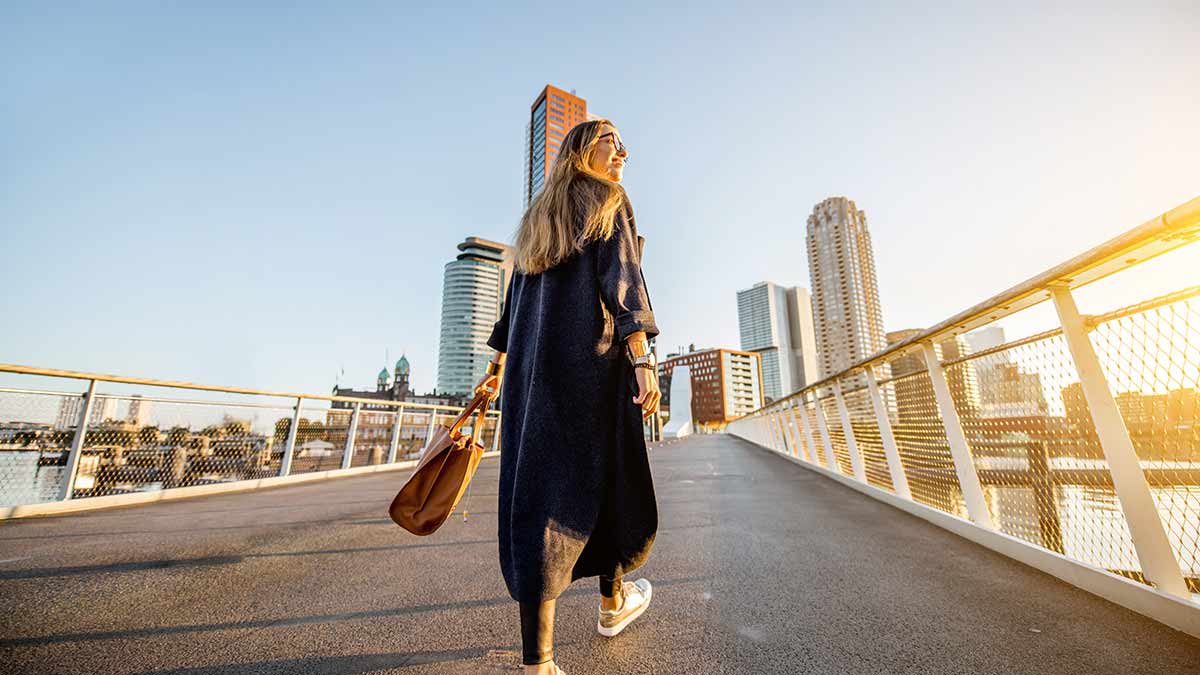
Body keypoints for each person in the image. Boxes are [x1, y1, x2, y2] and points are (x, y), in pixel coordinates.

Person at [473, 119, 661, 675]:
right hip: (592, 369)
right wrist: (642, 359)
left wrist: (496, 371)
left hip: (532, 381)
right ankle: (611, 602)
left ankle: (539, 662)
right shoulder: (608, 198)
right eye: (613, 142)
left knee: (537, 498)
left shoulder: (538, 218)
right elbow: (623, 278)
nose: (623, 151)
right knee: (612, 483)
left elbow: (512, 308)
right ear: (584, 150)